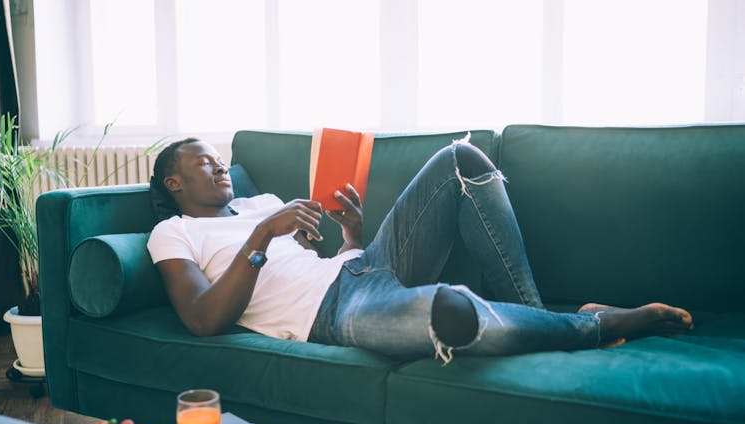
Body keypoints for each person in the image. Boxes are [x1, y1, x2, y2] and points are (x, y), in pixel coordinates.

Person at [147, 136, 694, 364]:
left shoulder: (257, 202)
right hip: (337, 314)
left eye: (219, 159)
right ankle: (593, 328)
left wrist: (354, 234)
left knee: (462, 158)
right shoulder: (175, 232)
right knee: (447, 309)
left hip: (367, 266)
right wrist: (263, 235)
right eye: (204, 161)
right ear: (174, 183)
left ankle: (540, 313)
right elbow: (203, 319)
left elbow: (322, 263)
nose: (220, 166)